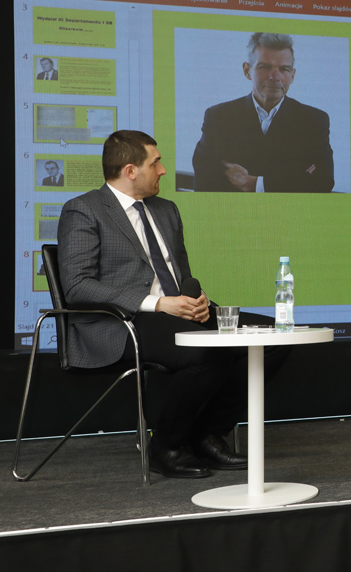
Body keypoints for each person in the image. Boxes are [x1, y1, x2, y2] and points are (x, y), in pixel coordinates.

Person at [58, 130, 288, 478]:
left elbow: (180, 275)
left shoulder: (166, 210)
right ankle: (165, 446)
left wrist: (198, 299)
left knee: (273, 337)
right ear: (131, 171)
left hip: (175, 314)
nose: (163, 170)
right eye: (156, 163)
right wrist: (157, 304)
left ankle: (207, 434)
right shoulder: (84, 210)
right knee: (205, 352)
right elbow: (77, 286)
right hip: (121, 323)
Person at [192, 32, 334, 193]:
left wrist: (255, 184)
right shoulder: (219, 117)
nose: (275, 77)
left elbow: (322, 182)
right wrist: (293, 177)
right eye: (264, 67)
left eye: (284, 69)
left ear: (293, 75)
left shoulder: (313, 121)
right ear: (247, 70)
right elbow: (205, 181)